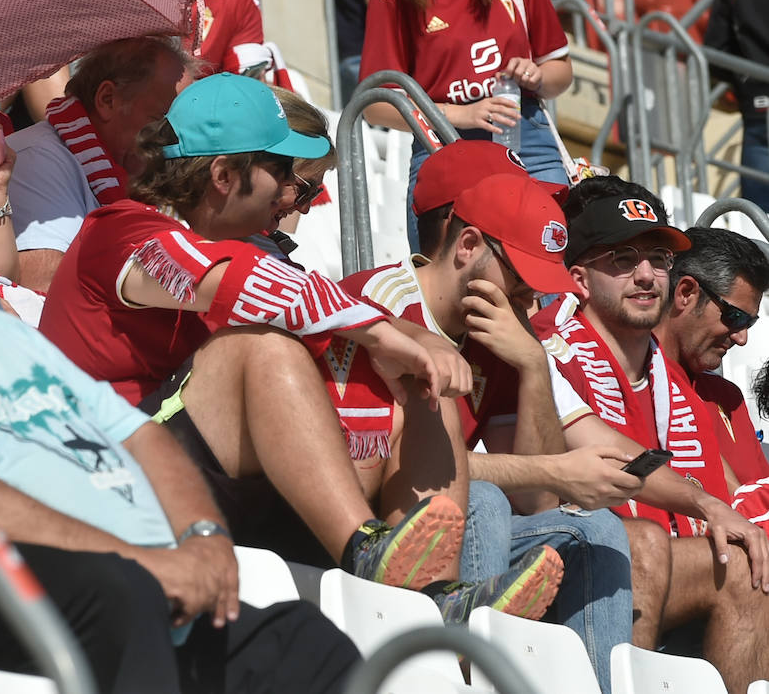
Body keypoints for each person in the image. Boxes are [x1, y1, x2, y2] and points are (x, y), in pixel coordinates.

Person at [0, 113, 364, 693]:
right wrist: (141, 562)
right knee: (120, 596)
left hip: (152, 600)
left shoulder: (1, 333)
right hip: (63, 608)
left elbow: (143, 437)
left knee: (307, 642)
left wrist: (206, 537)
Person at [40, 72, 561, 621]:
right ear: (222, 174)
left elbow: (293, 297)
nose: (294, 195)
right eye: (284, 173)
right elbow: (248, 283)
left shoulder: (229, 245)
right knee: (265, 350)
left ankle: (435, 596)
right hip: (108, 479)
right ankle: (364, 549)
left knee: (420, 383)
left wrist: (407, 342)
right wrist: (388, 331)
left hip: (201, 482)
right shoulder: (121, 232)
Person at [341, 158, 638, 693]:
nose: (529, 300)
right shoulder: (382, 300)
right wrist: (552, 469)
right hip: (378, 524)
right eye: (521, 279)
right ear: (468, 245)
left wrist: (532, 365)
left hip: (460, 515)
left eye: (540, 290)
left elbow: (540, 501)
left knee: (599, 531)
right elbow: (398, 463)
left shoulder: (500, 332)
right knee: (481, 501)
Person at [534, 176, 769, 694]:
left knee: (748, 561)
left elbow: (720, 491)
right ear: (579, 277)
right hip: (566, 562)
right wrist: (708, 507)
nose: (646, 275)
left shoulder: (673, 375)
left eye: (658, 258)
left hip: (659, 567)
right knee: (641, 544)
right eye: (621, 259)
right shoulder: (553, 348)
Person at [360, 0, 574, 252]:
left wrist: (538, 76)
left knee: (548, 282)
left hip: (527, 138)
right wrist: (462, 114)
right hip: (441, 146)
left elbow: (561, 71)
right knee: (450, 283)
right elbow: (376, 104)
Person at [0, 36, 195, 295]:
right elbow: (42, 286)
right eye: (162, 120)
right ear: (107, 99)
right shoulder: (35, 157)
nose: (174, 139)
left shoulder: (142, 164)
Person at [654, 226, 769, 488]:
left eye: (749, 323)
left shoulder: (729, 397)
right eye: (735, 317)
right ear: (686, 293)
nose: (742, 338)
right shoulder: (625, 382)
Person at [703, 0, 769, 212]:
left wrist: (745, 82)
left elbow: (715, 52)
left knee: (757, 219)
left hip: (757, 108)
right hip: (756, 108)